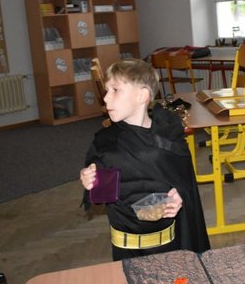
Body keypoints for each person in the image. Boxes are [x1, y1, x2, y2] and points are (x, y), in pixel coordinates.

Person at [79, 59, 210, 261]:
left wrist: (179, 196)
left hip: (167, 243)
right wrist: (90, 178)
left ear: (142, 96)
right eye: (106, 90)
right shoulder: (106, 142)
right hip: (124, 243)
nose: (105, 98)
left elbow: (185, 183)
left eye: (115, 90)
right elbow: (102, 190)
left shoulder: (168, 139)